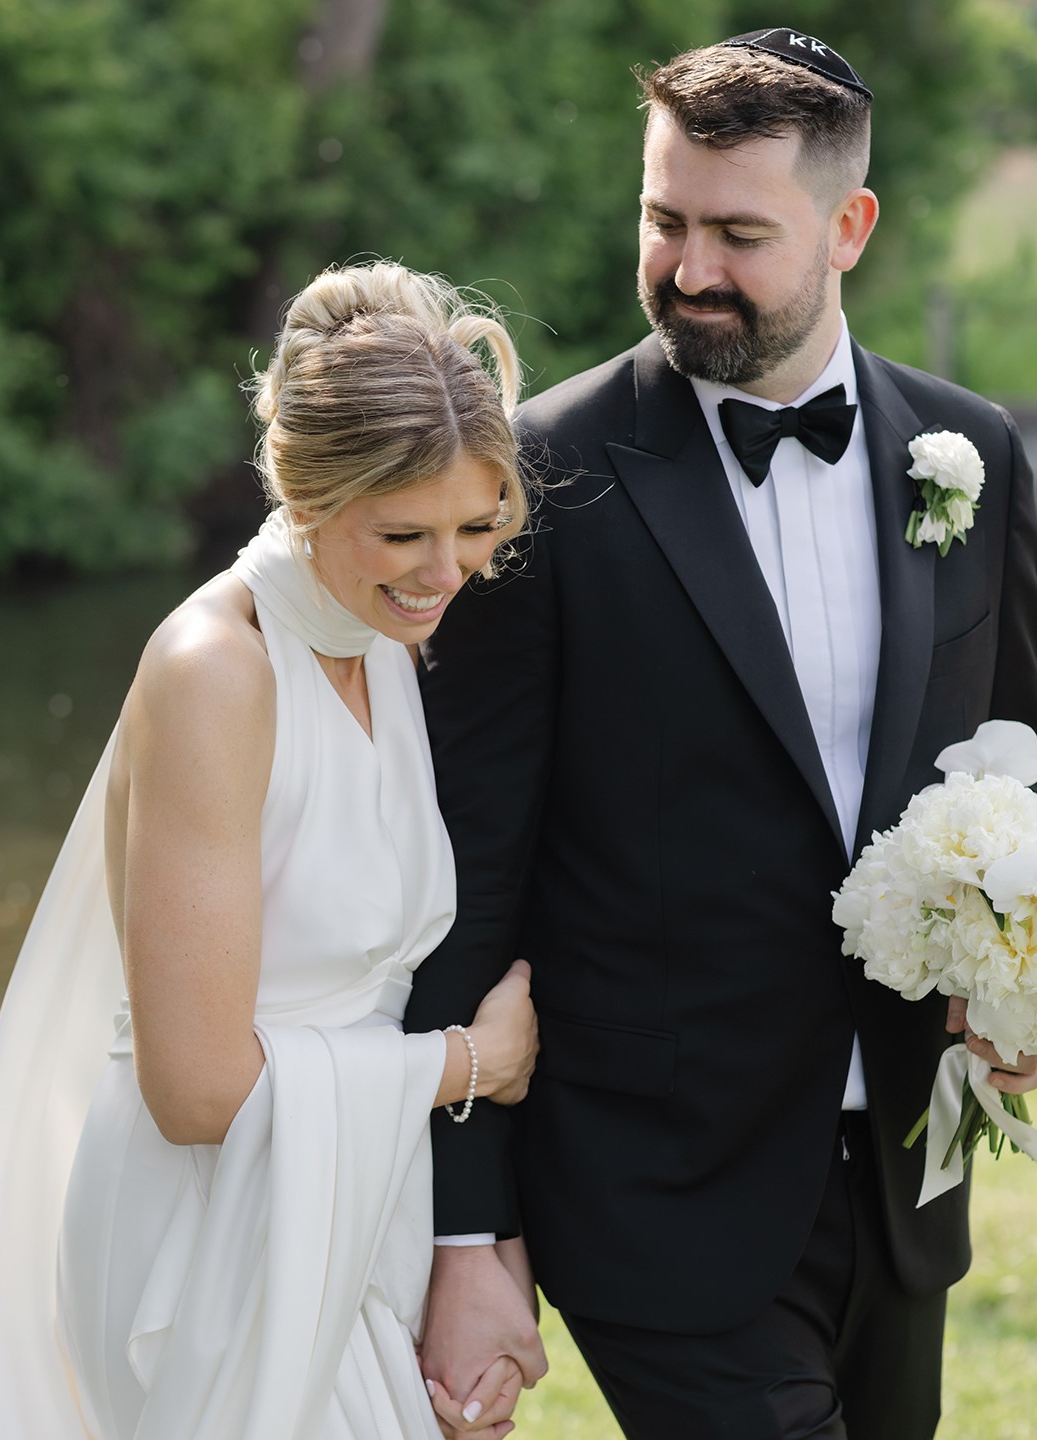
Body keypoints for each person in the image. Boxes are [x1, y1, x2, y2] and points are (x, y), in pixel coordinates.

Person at [403, 28, 1037, 1440]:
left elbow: (1020, 754)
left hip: (910, 1184)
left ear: (849, 226)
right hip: (655, 1193)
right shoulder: (538, 482)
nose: (688, 269)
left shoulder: (972, 452)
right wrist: (463, 1237)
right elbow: (468, 877)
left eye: (739, 233)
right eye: (663, 220)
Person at [0, 260, 541, 1440]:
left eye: (476, 527)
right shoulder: (217, 673)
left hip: (342, 1198)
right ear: (306, 493)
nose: (447, 573)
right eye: (404, 534)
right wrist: (467, 1064)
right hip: (204, 1239)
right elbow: (198, 1088)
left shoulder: (381, 636)